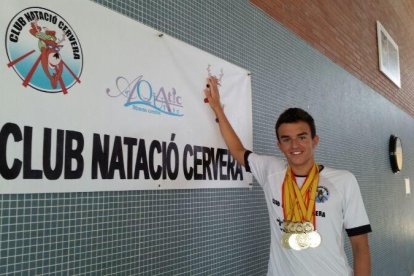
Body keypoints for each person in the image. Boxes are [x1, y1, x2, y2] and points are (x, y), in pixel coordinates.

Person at [204, 76, 372, 276]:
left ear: (314, 140)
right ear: (279, 145)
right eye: (287, 139)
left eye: (302, 137)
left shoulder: (344, 181)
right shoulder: (271, 171)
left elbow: (360, 246)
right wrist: (218, 109)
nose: (295, 146)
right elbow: (238, 150)